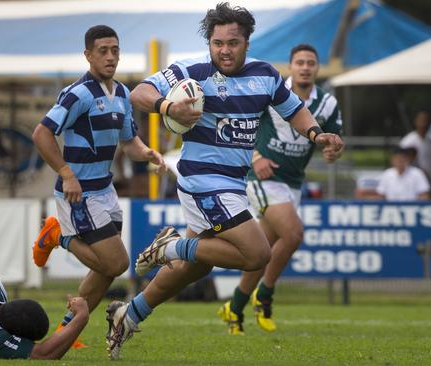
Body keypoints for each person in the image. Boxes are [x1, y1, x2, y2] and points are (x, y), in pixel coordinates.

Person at [105, 3, 343, 359]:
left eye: (232, 43)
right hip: (201, 180)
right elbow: (139, 92)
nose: (224, 50)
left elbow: (294, 110)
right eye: (217, 43)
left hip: (232, 183)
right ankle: (168, 248)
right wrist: (168, 107)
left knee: (195, 267)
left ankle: (129, 314)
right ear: (209, 44)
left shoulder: (266, 75)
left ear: (247, 42)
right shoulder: (192, 71)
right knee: (258, 254)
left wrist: (315, 134)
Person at [30, 25, 166, 335]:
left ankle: (66, 332)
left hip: (105, 191)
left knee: (103, 271)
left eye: (115, 50)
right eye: (102, 51)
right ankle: (57, 236)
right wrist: (66, 174)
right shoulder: (78, 93)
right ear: (88, 55)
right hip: (79, 194)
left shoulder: (121, 93)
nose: (110, 56)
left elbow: (129, 142)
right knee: (117, 264)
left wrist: (148, 153)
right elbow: (41, 134)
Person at [218, 44, 343, 335]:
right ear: (291, 66)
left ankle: (234, 308)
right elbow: (237, 126)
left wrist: (333, 151)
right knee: (294, 233)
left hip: (293, 182)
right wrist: (256, 158)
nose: (305, 67)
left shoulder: (328, 103)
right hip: (263, 178)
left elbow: (335, 142)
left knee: (260, 254)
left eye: (311, 62)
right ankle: (264, 296)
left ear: (317, 68)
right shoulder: (272, 92)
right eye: (299, 62)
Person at [398, 110, 431, 180]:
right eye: (421, 120)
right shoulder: (407, 142)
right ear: (415, 122)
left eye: (426, 120)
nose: (424, 123)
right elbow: (401, 163)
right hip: (414, 181)